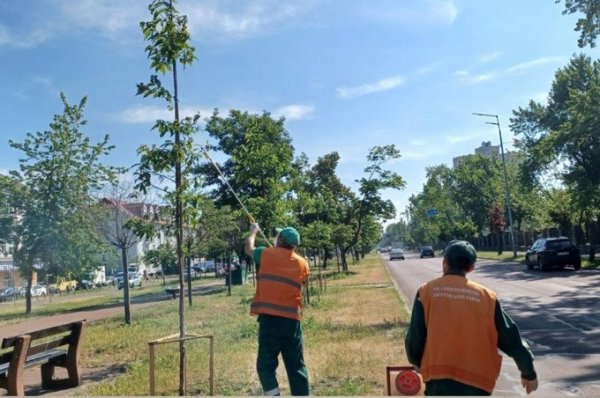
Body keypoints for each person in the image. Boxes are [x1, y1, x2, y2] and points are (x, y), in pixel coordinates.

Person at [405, 240, 539, 396]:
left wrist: (415, 361)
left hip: (439, 382)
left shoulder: (426, 292)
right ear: (471, 268)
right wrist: (528, 372)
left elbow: (415, 336)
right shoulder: (487, 297)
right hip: (478, 383)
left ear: (444, 262)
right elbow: (511, 339)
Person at [245, 223, 311, 396]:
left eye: (278, 235)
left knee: (265, 366)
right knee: (296, 366)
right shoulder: (303, 263)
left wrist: (253, 232)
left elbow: (249, 249)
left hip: (270, 321)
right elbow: (301, 283)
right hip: (292, 322)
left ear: (280, 240)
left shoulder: (265, 254)